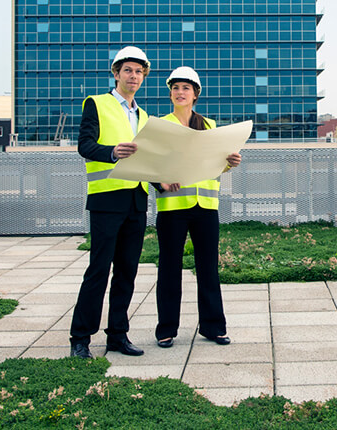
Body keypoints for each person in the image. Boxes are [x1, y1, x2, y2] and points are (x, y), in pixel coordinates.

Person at [69, 46, 152, 359]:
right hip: (106, 200)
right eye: (128, 70)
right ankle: (80, 338)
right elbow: (85, 145)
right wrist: (111, 152)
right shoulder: (97, 104)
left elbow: (146, 159)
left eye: (138, 71)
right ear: (116, 74)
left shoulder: (143, 116)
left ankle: (117, 334)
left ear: (143, 77)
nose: (133, 76)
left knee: (127, 272)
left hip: (136, 201)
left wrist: (160, 181)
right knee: (99, 270)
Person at [152, 66, 241, 348]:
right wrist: (161, 180)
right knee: (168, 269)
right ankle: (166, 329)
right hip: (172, 208)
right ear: (170, 93)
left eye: (186, 88)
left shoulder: (210, 126)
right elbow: (148, 163)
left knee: (208, 269)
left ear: (195, 94)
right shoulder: (160, 125)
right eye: (176, 88)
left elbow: (217, 164)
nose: (180, 93)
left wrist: (230, 163)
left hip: (205, 207)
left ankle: (213, 327)